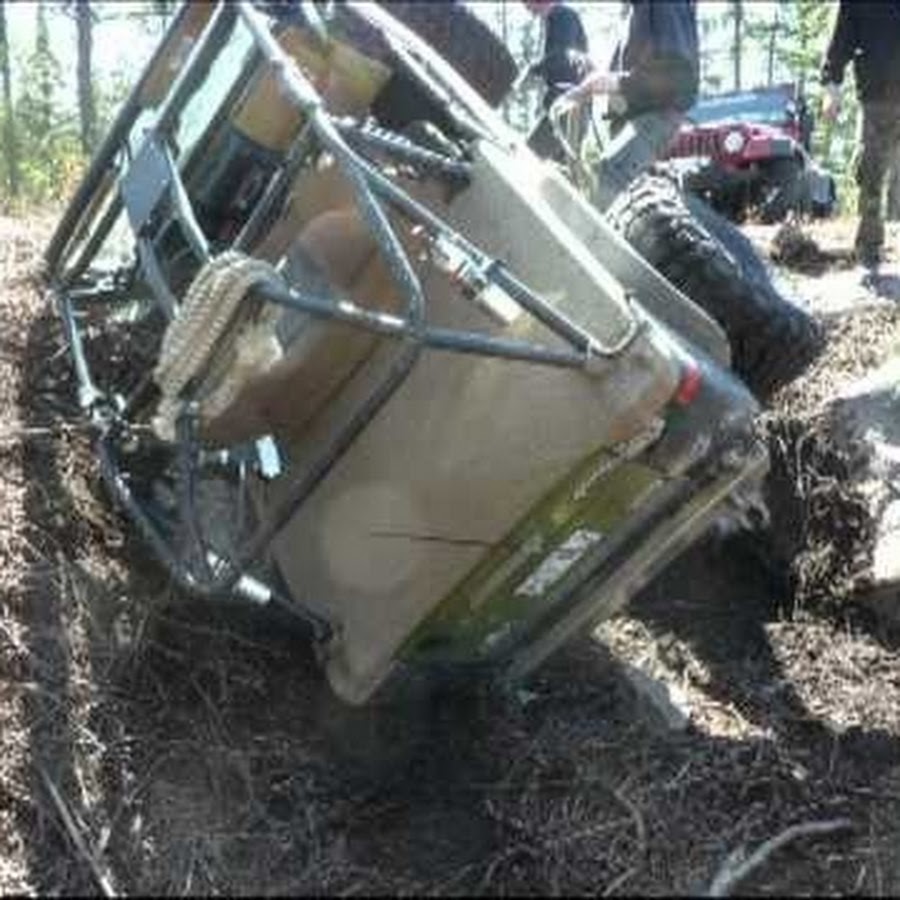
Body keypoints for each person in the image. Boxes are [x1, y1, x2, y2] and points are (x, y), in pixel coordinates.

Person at [552, 0, 699, 210]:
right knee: (594, 181)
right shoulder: (639, 11)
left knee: (604, 186)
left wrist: (616, 82)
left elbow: (678, 77)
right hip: (639, 118)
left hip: (654, 119)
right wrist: (598, 83)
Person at [821, 2, 900, 269]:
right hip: (877, 98)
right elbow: (840, 41)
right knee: (871, 172)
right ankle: (869, 248)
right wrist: (832, 86)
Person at [521, 1, 592, 161]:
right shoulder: (560, 17)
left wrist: (533, 71)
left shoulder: (561, 15)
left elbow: (561, 54)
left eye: (526, 2)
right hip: (571, 107)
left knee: (528, 158)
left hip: (569, 106)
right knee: (555, 167)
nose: (526, 8)